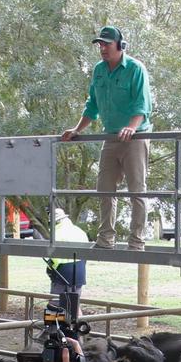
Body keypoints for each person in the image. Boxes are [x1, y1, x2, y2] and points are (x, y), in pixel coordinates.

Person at [61, 26, 154, 251]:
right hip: (111, 136)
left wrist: (132, 128)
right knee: (104, 189)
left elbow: (142, 105)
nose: (102, 48)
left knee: (137, 190)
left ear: (120, 45)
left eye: (106, 44)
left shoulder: (135, 68)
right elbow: (92, 104)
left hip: (136, 137)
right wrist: (76, 129)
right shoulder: (99, 70)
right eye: (100, 44)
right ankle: (105, 240)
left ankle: (137, 241)